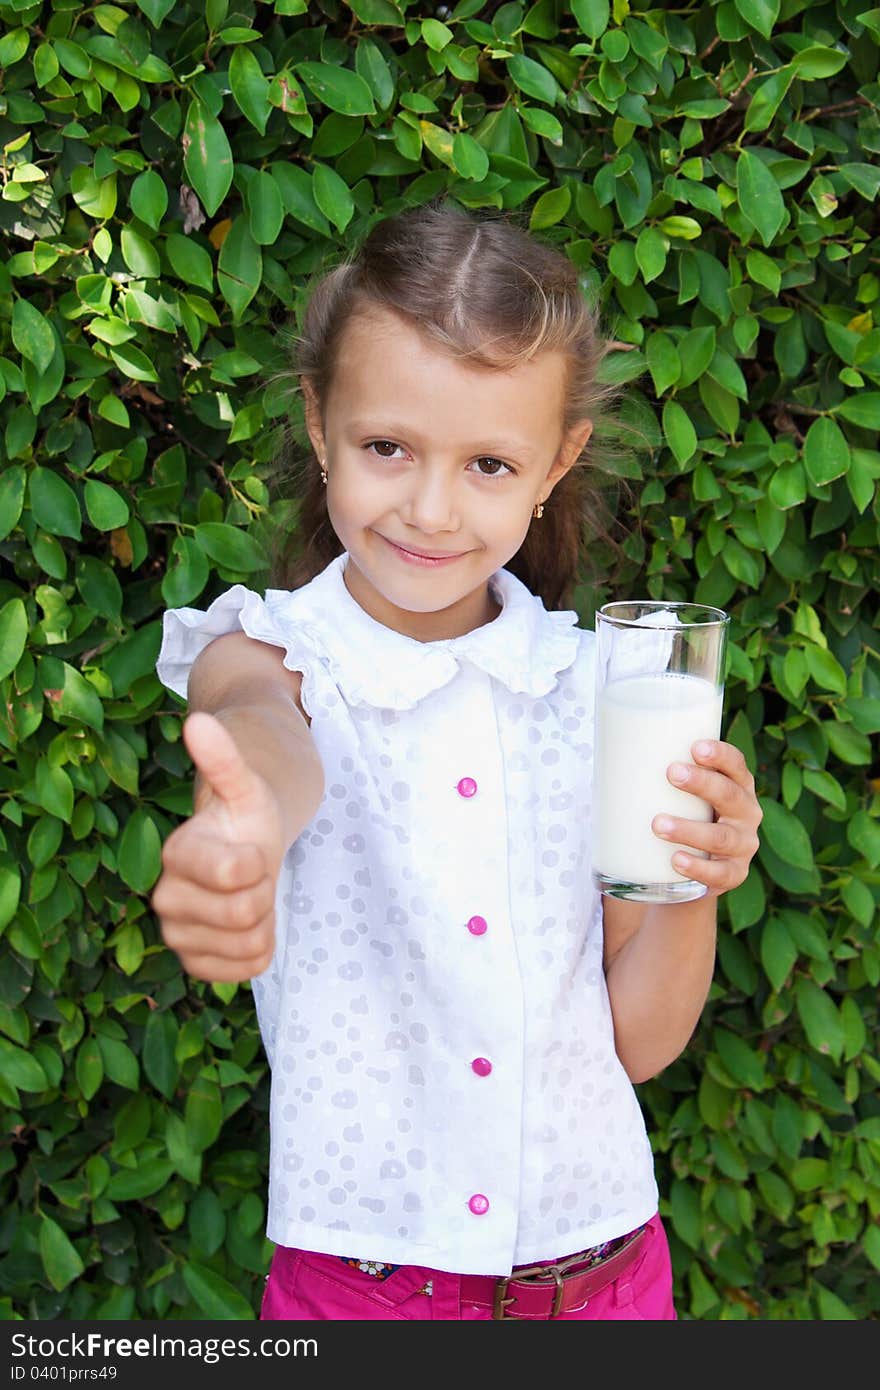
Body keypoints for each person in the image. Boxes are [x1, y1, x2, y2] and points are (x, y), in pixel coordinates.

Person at [152, 199, 762, 1321]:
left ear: (555, 463)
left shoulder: (602, 694)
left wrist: (693, 885)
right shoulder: (276, 650)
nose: (430, 509)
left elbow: (634, 1044)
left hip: (608, 1280)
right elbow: (262, 733)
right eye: (388, 447)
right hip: (364, 1292)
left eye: (488, 462)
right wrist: (239, 827)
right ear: (320, 422)